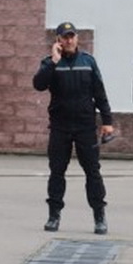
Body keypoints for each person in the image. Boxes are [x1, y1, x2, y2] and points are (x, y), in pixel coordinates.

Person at [33, 22, 114, 235]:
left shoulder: (88, 62)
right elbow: (39, 84)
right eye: (65, 37)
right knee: (57, 172)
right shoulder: (50, 63)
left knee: (93, 172)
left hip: (85, 127)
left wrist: (107, 122)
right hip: (60, 127)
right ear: (58, 40)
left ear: (77, 38)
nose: (69, 40)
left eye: (72, 36)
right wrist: (53, 61)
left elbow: (100, 93)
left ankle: (99, 216)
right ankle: (53, 216)